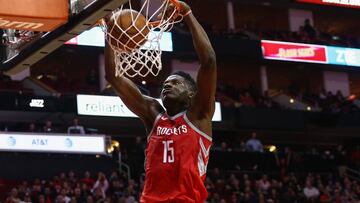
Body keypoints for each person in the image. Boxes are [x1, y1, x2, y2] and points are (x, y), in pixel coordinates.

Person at [104, 1, 217, 202]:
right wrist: (111, 35)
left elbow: (208, 61)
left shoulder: (199, 115)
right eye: (166, 83)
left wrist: (187, 14)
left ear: (192, 94)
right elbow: (114, 77)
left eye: (176, 83)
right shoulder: (153, 114)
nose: (168, 86)